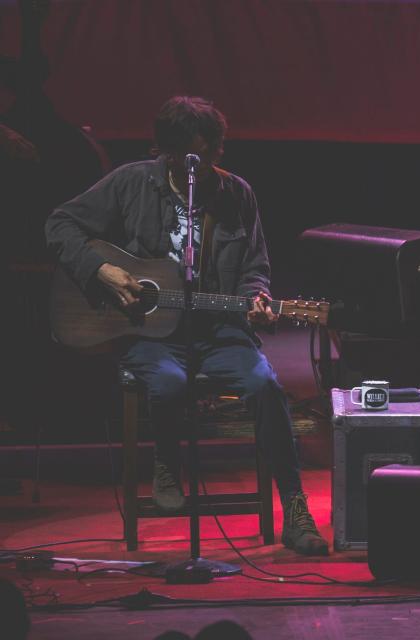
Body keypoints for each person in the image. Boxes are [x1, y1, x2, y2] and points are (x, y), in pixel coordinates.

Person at [45, 96, 328, 556]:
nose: (209, 163)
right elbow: (60, 224)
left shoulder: (237, 194)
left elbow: (255, 267)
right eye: (194, 156)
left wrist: (257, 298)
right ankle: (167, 463)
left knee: (265, 387)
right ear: (168, 152)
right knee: (170, 382)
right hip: (149, 334)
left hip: (220, 332)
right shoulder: (132, 182)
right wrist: (101, 269)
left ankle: (295, 508)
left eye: (214, 151)